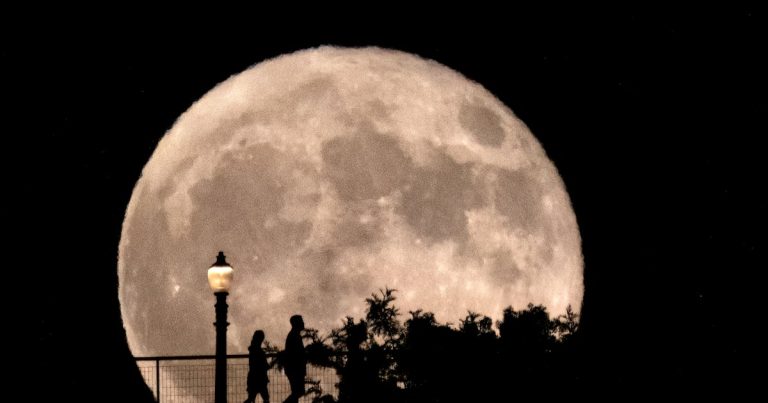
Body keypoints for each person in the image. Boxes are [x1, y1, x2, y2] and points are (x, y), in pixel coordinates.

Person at [282, 315, 307, 403]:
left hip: (294, 368)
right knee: (298, 392)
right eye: (301, 321)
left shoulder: (294, 335)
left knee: (296, 392)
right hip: (295, 369)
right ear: (296, 323)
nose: (303, 323)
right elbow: (297, 353)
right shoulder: (294, 336)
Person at [244, 330, 270, 403]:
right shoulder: (259, 351)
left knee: (251, 398)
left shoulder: (253, 349)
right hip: (260, 377)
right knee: (265, 398)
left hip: (253, 377)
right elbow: (263, 365)